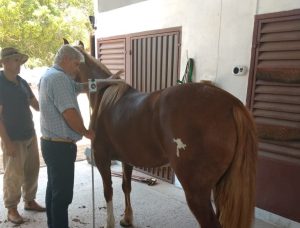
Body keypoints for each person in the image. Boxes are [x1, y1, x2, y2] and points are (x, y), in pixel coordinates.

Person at [39, 44, 95, 228]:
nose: (78, 69)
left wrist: (105, 82)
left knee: (53, 190)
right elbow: (69, 113)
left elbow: (78, 87)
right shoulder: (59, 79)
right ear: (66, 60)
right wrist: (86, 132)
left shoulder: (51, 74)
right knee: (62, 196)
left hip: (51, 145)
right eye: (76, 65)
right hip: (60, 148)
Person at [0, 47, 46, 225]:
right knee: (13, 175)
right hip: (13, 138)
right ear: (4, 63)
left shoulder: (22, 82)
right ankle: (11, 208)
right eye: (14, 60)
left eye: (19, 60)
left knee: (32, 170)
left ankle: (29, 200)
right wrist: (7, 142)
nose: (18, 64)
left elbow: (36, 105)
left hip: (30, 134)